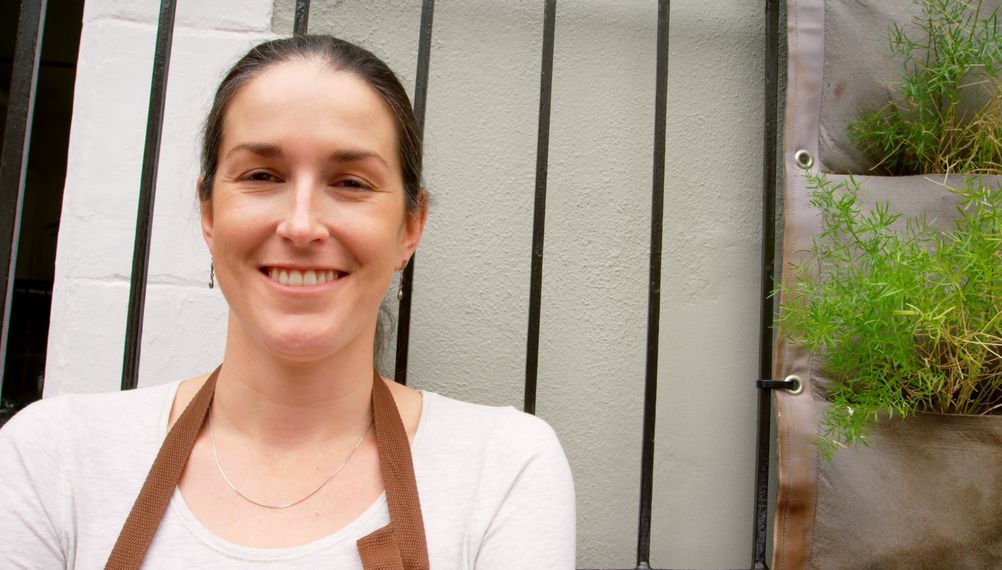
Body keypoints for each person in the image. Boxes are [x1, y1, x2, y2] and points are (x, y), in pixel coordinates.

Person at [0, 35, 575, 568]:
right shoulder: (52, 458)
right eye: (261, 175)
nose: (302, 226)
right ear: (208, 213)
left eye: (351, 182)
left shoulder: (502, 468)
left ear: (410, 226)